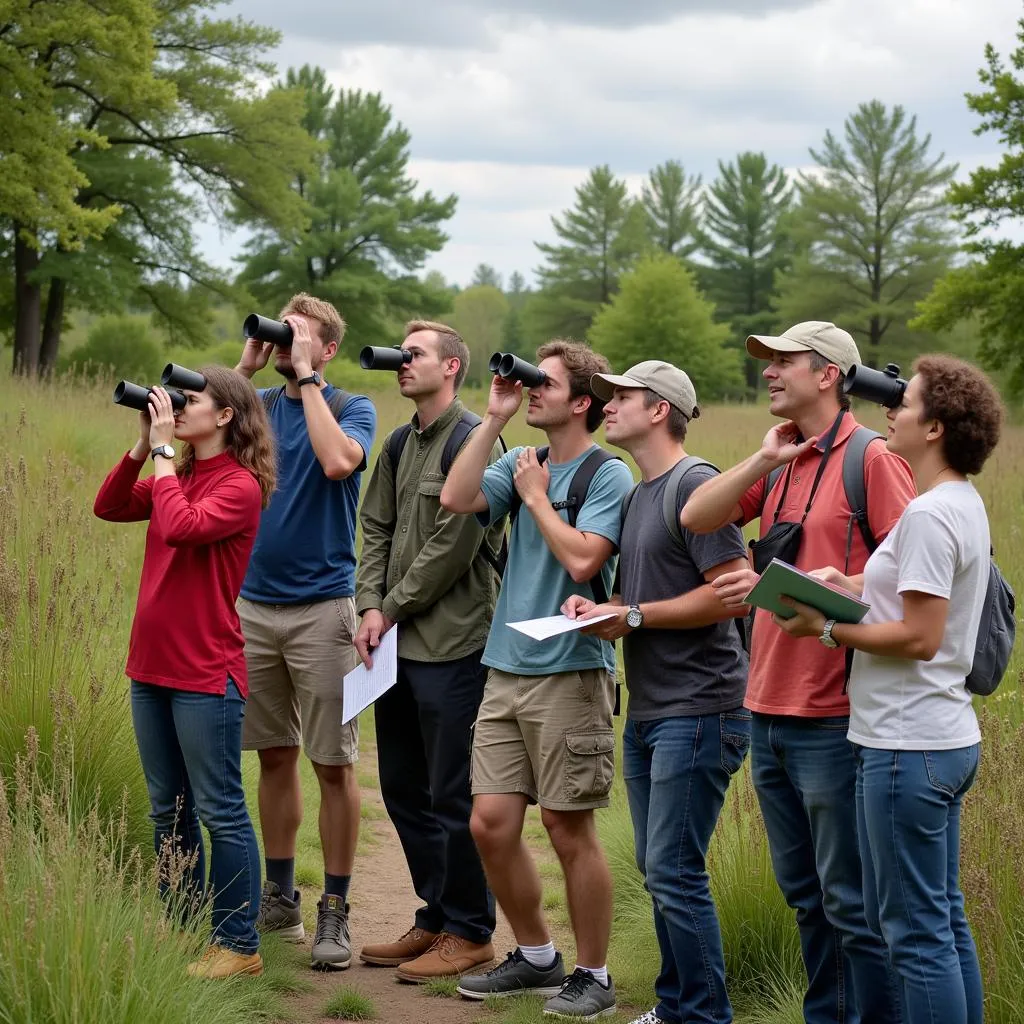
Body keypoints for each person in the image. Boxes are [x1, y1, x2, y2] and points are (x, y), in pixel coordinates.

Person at [680, 321, 916, 1023]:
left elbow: (917, 574)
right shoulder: (783, 456)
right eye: (769, 361)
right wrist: (759, 462)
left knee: (852, 904)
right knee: (808, 899)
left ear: (829, 375)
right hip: (770, 709)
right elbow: (698, 516)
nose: (770, 372)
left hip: (837, 715)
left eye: (785, 361)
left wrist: (837, 582)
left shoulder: (872, 459)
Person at [772, 355, 1002, 1024]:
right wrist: (848, 588)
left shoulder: (931, 515)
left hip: (906, 745)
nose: (892, 410)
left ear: (934, 429)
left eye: (907, 402)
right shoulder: (957, 502)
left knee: (912, 934)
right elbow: (913, 605)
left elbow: (920, 636)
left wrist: (826, 630)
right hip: (940, 738)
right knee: (942, 921)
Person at [441, 340, 634, 1020]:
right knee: (490, 823)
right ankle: (536, 955)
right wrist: (493, 421)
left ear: (583, 401)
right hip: (507, 667)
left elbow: (585, 563)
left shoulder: (607, 475)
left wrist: (536, 499)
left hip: (571, 670)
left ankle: (594, 974)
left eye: (543, 383)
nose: (531, 390)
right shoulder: (524, 460)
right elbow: (457, 496)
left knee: (565, 825)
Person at [562, 361, 753, 1024]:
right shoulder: (644, 493)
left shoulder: (695, 484)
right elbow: (643, 597)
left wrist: (635, 617)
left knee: (673, 870)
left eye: (623, 397)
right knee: (660, 866)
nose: (608, 405)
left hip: (702, 709)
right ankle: (677, 1007)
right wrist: (603, 609)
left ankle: (702, 1015)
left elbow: (730, 591)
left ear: (660, 409)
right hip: (653, 709)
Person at [93, 368, 276, 980]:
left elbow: (178, 527)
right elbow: (111, 505)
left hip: (205, 672)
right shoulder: (181, 472)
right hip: (151, 665)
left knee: (219, 810)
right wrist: (145, 445)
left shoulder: (240, 486)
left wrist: (166, 454)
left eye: (189, 400)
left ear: (225, 416)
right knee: (166, 809)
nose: (177, 407)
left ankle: (238, 944)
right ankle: (181, 927)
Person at [353, 320, 503, 982]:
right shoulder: (395, 441)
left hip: (456, 644)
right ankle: (435, 916)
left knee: (452, 792)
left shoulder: (476, 439)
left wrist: (392, 605)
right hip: (395, 647)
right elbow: (376, 525)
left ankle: (471, 931)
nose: (400, 362)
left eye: (414, 354)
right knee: (403, 787)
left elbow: (454, 544)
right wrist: (367, 605)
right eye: (400, 353)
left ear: (451, 368)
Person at [234, 293, 377, 970]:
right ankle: (280, 893)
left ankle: (337, 910)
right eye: (281, 334)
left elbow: (337, 464)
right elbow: (212, 453)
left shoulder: (352, 408)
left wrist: (306, 380)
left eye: (301, 338)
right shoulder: (258, 403)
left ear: (328, 351)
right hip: (253, 606)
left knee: (333, 762)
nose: (287, 345)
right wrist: (247, 363)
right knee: (272, 754)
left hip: (325, 608)